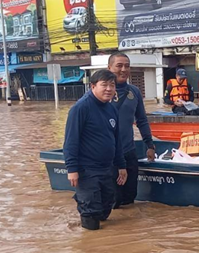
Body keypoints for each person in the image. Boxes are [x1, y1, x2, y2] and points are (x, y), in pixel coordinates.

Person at [63, 70, 128, 231]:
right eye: (104, 85)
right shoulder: (80, 108)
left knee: (106, 207)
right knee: (91, 215)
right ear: (92, 86)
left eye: (112, 85)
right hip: (87, 170)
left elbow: (116, 140)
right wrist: (72, 169)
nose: (108, 89)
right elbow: (70, 141)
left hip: (107, 169)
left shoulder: (111, 109)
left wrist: (121, 165)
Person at [108, 53, 156, 208]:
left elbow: (141, 120)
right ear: (109, 68)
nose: (123, 69)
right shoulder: (103, 93)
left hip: (129, 151)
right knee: (113, 201)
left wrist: (149, 145)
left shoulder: (134, 92)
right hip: (109, 155)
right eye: (119, 66)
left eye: (127, 66)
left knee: (129, 199)